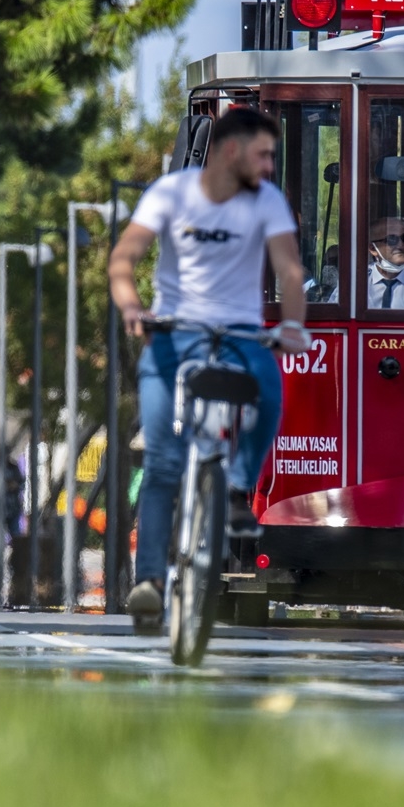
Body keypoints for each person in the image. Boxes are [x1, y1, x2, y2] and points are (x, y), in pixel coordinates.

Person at [108, 106, 312, 625]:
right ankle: (149, 581)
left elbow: (290, 272)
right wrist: (133, 306)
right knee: (162, 463)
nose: (269, 166)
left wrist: (290, 325)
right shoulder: (171, 194)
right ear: (230, 151)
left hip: (241, 332)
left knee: (271, 391)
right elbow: (124, 259)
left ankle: (239, 489)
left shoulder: (267, 201)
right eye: (262, 154)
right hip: (175, 334)